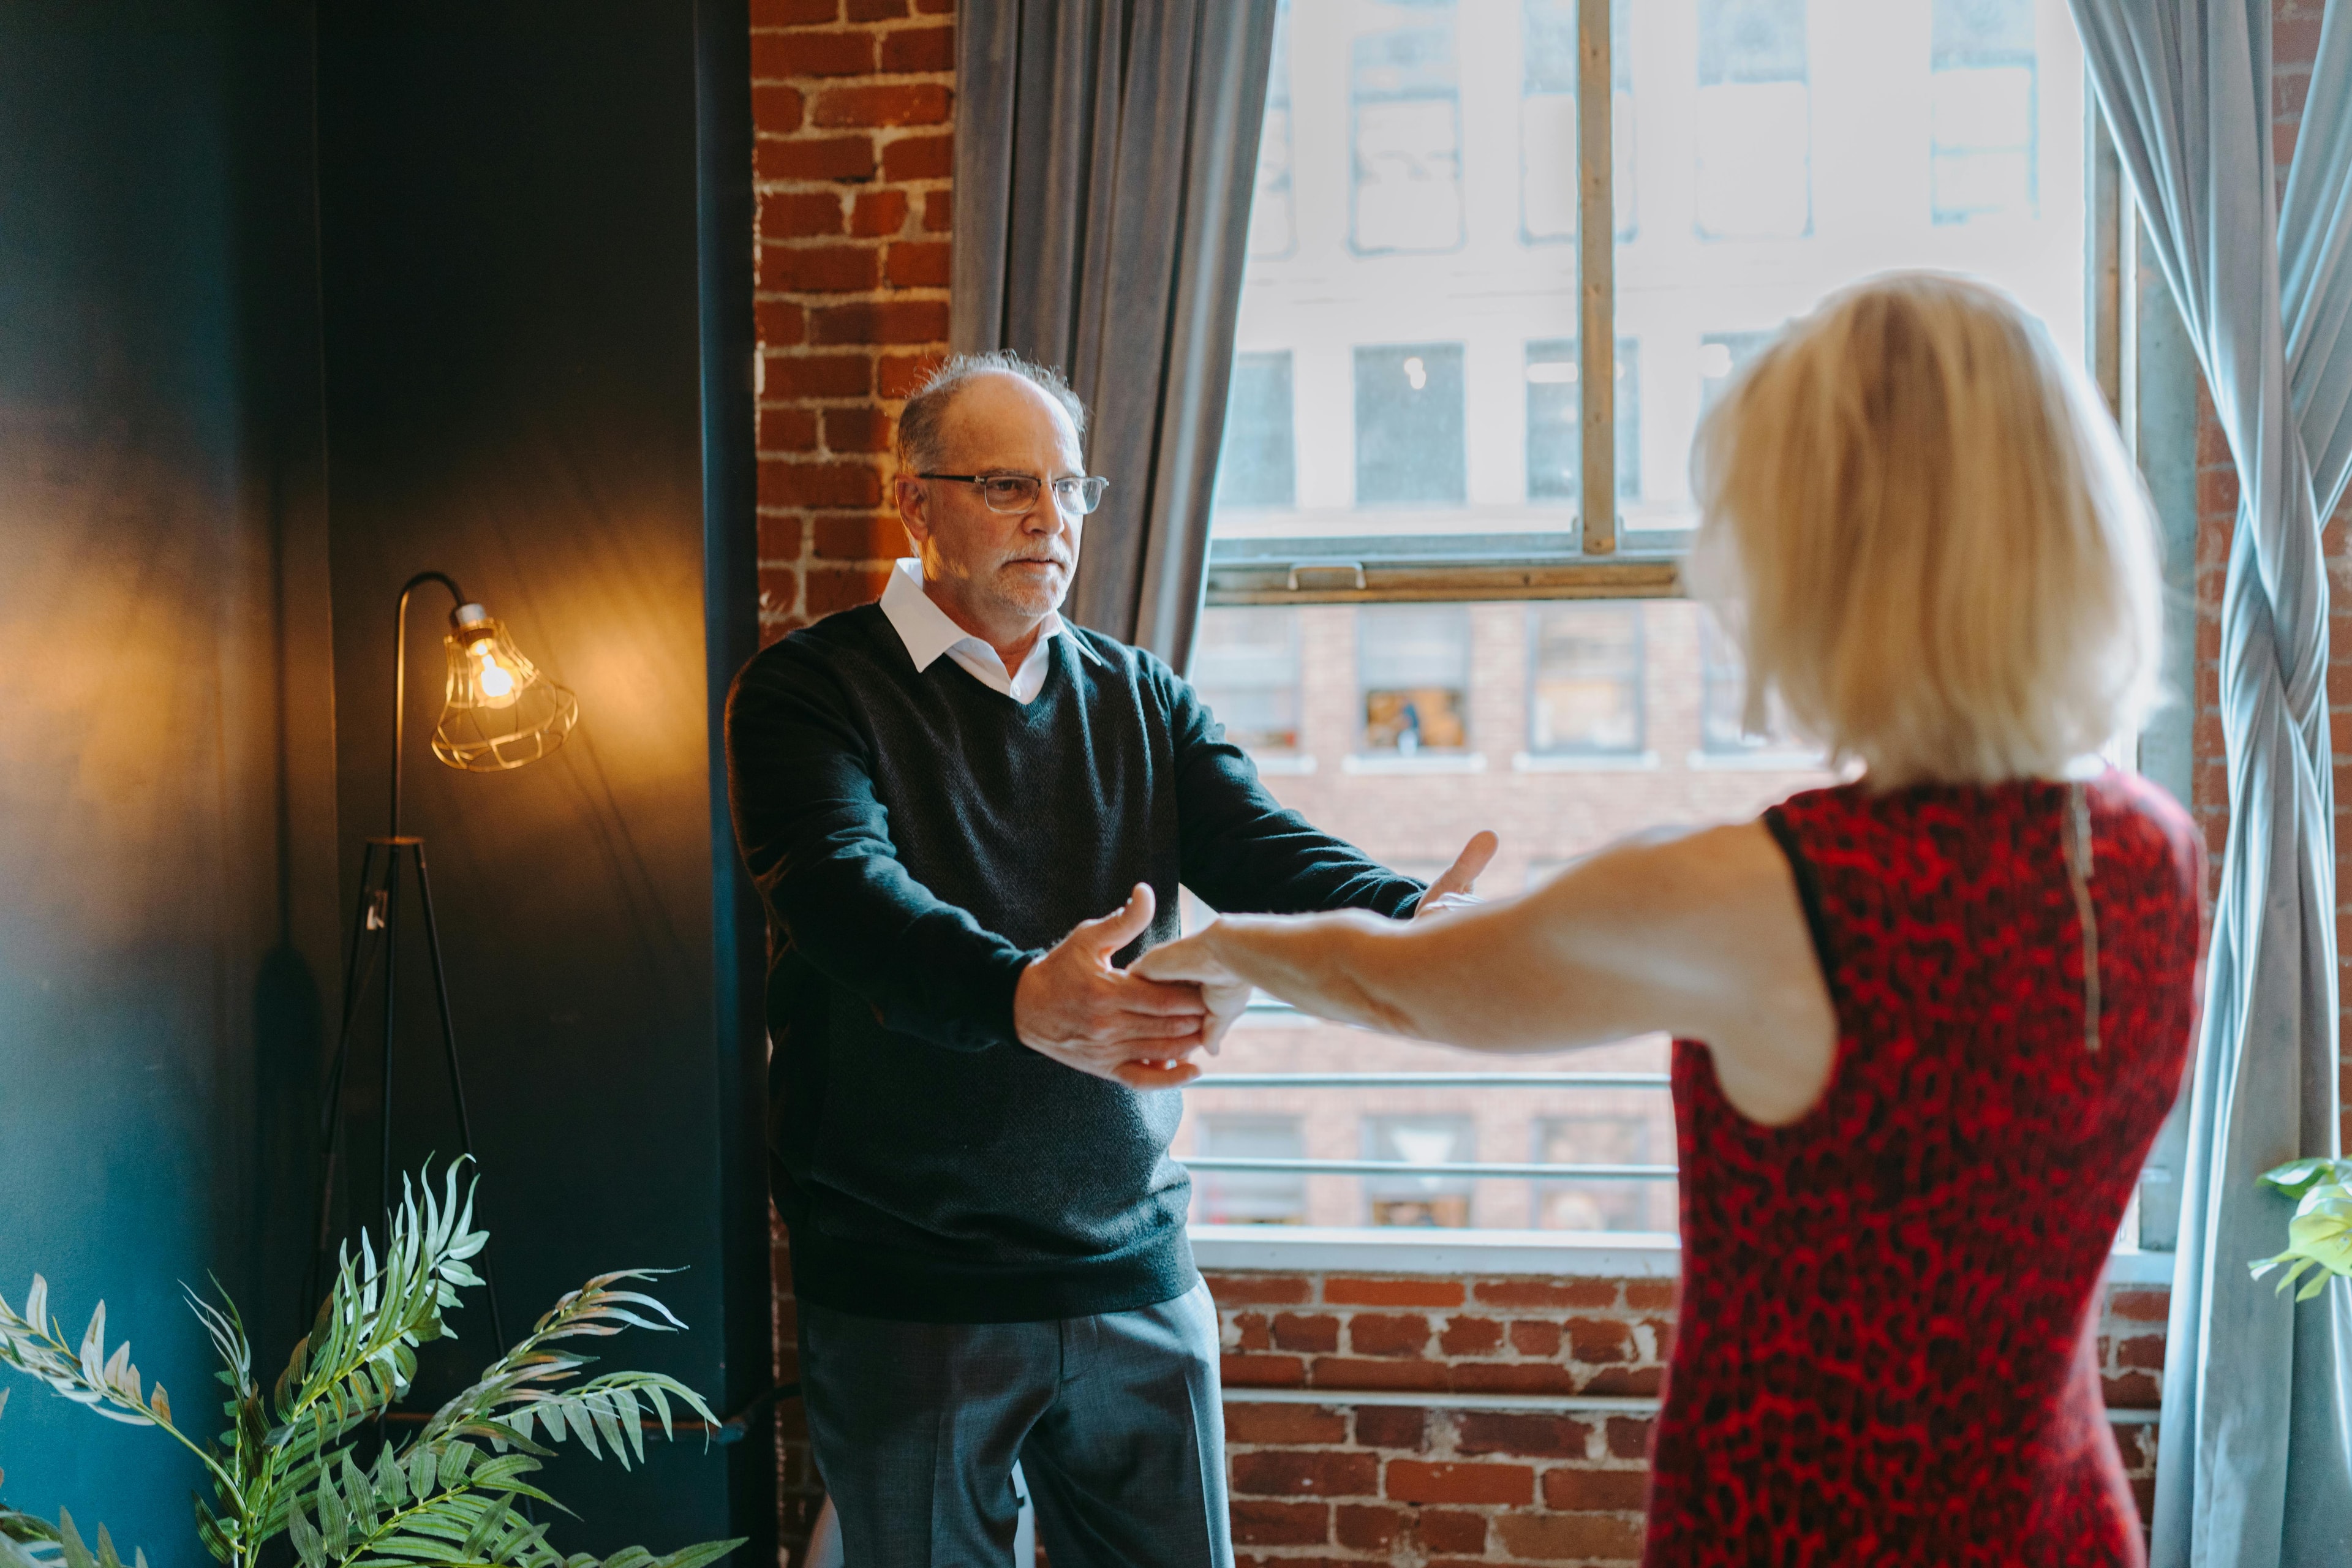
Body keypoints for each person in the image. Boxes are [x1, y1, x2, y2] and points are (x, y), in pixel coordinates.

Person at [1139, 274, 2203, 1567]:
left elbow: (1406, 982)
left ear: (1837, 567)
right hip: (2051, 1523)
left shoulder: (1773, 892)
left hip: (1802, 1535)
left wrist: (1222, 948)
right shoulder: (2151, 848)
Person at [723, 350, 1492, 1568]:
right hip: (912, 1284)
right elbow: (838, 889)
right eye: (1008, 484)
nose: (1051, 517)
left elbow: (1262, 846)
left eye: (1073, 488)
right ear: (917, 503)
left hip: (1136, 1268)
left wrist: (1411, 917)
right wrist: (1017, 995)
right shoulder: (807, 694)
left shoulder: (1143, 694)